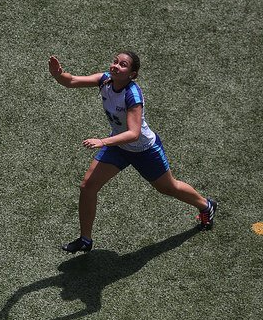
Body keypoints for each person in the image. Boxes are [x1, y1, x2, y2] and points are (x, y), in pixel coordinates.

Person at [48, 52, 217, 253]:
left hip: (144, 149)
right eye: (115, 61)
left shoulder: (132, 95)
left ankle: (206, 205)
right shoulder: (105, 81)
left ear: (132, 74)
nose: (116, 66)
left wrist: (102, 141)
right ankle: (85, 240)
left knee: (167, 188)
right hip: (119, 146)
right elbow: (72, 81)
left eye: (123, 65)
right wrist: (58, 74)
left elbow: (134, 134)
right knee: (87, 186)